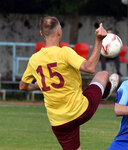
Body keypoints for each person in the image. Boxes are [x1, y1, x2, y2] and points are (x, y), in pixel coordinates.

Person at [19, 15, 119, 150]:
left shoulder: (34, 60)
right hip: (81, 110)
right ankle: (105, 94)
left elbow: (23, 86)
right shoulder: (64, 52)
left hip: (59, 123)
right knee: (103, 74)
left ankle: (102, 94)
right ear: (59, 32)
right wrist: (98, 40)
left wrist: (38, 86)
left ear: (42, 34)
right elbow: (89, 68)